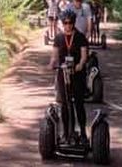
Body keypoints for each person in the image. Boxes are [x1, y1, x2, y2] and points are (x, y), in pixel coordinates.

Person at [49, 8, 89, 145]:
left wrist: (80, 64)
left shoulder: (80, 37)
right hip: (63, 74)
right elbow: (54, 55)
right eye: (65, 23)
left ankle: (83, 133)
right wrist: (52, 63)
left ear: (73, 22)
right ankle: (66, 133)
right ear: (62, 23)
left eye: (70, 22)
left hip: (77, 74)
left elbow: (84, 55)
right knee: (65, 105)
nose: (67, 25)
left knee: (78, 103)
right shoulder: (59, 38)